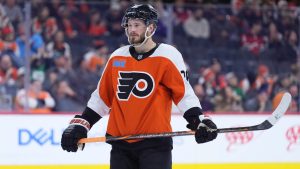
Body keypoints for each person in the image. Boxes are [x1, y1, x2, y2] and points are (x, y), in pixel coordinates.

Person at [61, 4, 218, 169]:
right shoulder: (117, 57)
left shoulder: (167, 56)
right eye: (129, 25)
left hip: (155, 145)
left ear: (151, 28)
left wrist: (198, 120)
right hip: (120, 144)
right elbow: (102, 97)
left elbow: (183, 95)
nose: (131, 29)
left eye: (137, 25)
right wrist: (82, 123)